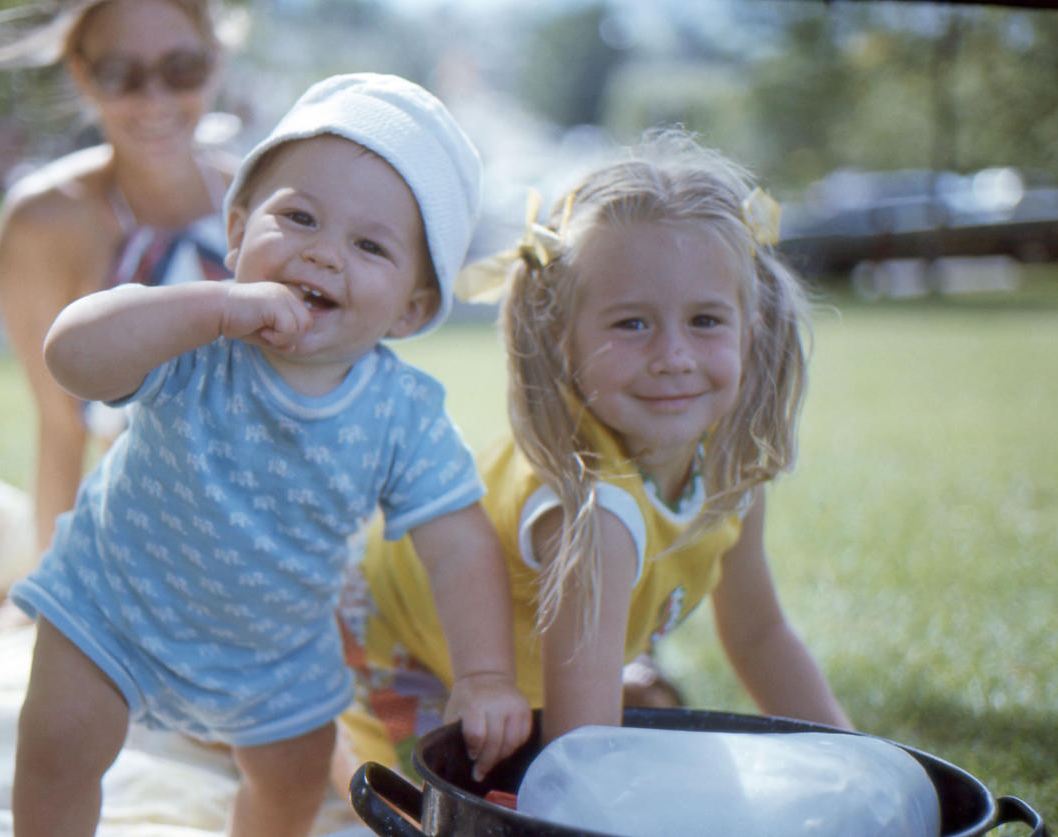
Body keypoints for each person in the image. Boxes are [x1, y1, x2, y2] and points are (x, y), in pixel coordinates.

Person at [8, 72, 532, 837]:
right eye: (300, 218)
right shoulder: (192, 339)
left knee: (292, 785)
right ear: (239, 228)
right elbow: (71, 356)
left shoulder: (399, 414)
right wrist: (213, 308)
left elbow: (456, 542)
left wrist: (485, 675)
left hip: (274, 652)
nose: (323, 254)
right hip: (113, 605)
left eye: (369, 244)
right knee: (56, 747)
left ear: (412, 309)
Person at [336, 128, 852, 783]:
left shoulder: (729, 465)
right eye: (632, 322)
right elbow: (582, 762)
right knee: (386, 812)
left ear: (753, 325)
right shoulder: (593, 512)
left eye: (706, 320)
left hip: (497, 679)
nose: (673, 356)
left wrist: (862, 765)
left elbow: (759, 634)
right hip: (369, 652)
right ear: (562, 339)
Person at [0, 0, 236, 554]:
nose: (154, 100)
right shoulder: (43, 224)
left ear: (215, 62)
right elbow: (59, 432)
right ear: (81, 74)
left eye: (181, 70)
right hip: (137, 556)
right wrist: (50, 598)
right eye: (121, 74)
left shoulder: (268, 202)